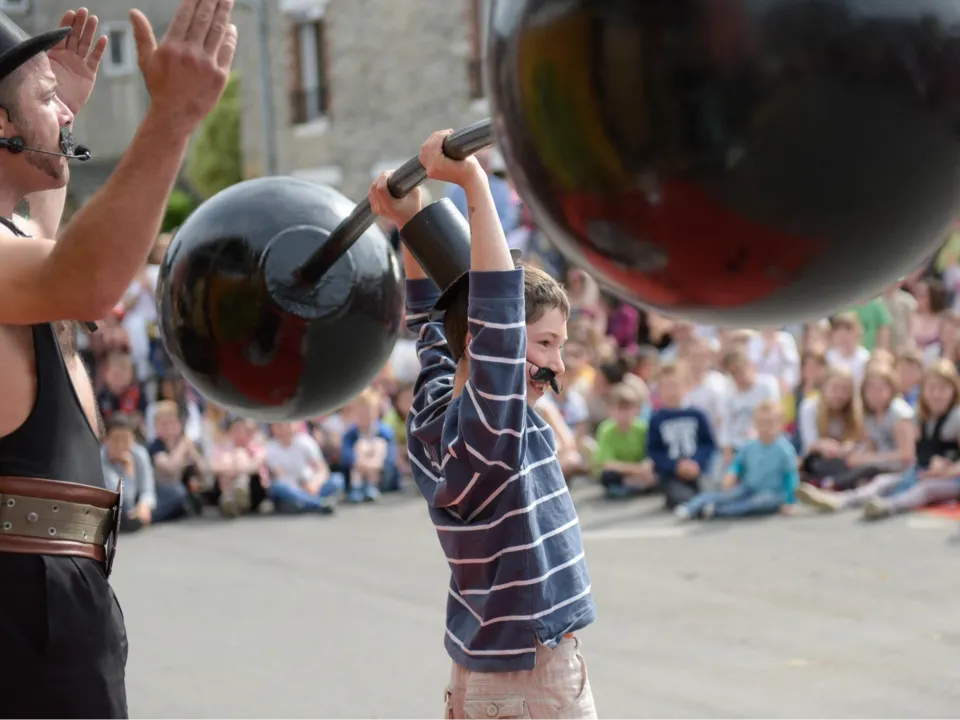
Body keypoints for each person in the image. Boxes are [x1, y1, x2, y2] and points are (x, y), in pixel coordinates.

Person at [0, 2, 237, 717]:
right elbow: (82, 278)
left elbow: (46, 247)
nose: (67, 116)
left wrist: (55, 110)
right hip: (26, 600)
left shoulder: (13, 239)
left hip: (47, 589)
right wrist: (172, 119)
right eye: (45, 100)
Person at [368, 130, 598, 719]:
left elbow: (432, 322)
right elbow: (493, 312)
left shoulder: (435, 411)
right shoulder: (491, 431)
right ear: (490, 345)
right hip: (532, 674)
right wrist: (473, 182)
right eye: (544, 343)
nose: (558, 364)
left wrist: (412, 220)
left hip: (482, 667)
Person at [676, 401, 799, 520]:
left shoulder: (785, 449)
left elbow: (790, 476)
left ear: (780, 425)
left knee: (756, 503)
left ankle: (717, 511)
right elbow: (738, 463)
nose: (765, 427)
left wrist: (790, 501)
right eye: (761, 423)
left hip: (773, 493)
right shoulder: (750, 446)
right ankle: (691, 507)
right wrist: (732, 474)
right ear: (755, 423)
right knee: (725, 495)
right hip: (749, 487)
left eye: (770, 423)